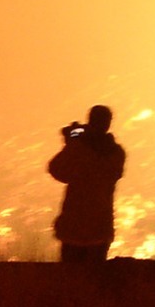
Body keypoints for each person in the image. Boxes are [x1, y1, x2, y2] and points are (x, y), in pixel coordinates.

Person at [46, 105, 127, 264]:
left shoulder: (78, 147)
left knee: (70, 274)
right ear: (108, 123)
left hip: (74, 225)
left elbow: (56, 169)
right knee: (94, 274)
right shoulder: (116, 152)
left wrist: (73, 140)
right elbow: (113, 174)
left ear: (90, 120)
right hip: (100, 226)